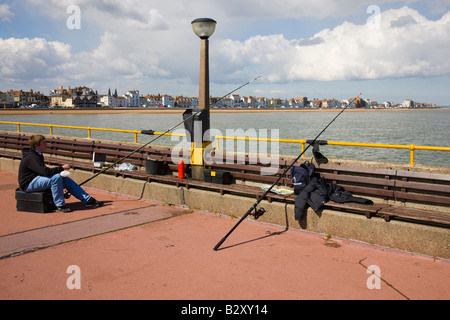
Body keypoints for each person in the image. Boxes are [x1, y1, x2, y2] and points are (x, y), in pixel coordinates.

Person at [18, 134, 102, 213]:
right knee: (56, 177)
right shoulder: (31, 157)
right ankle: (60, 205)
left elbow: (43, 172)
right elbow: (45, 172)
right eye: (44, 143)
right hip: (28, 184)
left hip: (37, 179)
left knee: (66, 180)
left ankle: (88, 200)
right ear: (37, 145)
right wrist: (62, 168)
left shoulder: (38, 155)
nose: (46, 144)